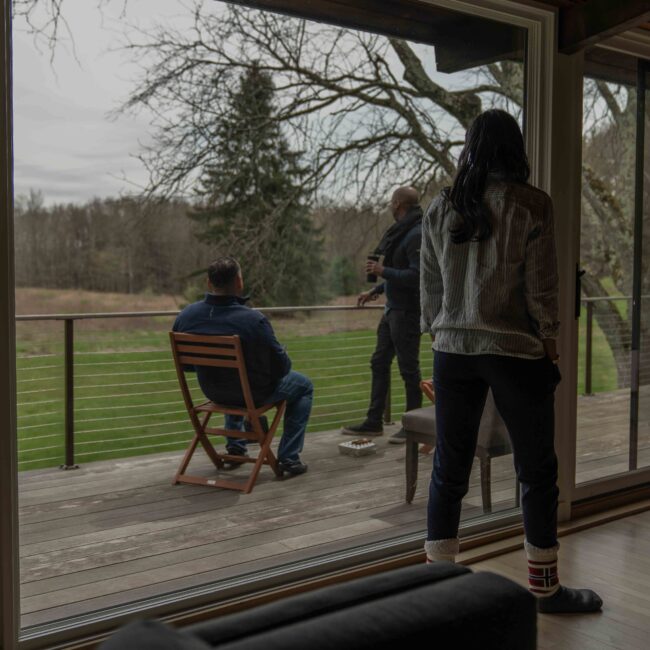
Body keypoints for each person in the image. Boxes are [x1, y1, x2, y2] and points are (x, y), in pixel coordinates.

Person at [420, 109, 602, 613]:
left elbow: (430, 285)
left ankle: (437, 590)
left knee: (448, 468)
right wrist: (551, 340)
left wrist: (435, 330)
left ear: (470, 147)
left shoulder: (441, 205)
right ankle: (544, 589)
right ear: (515, 147)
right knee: (537, 469)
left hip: (451, 350)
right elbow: (543, 287)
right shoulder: (532, 205)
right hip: (515, 351)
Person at [172, 256, 311, 476]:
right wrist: (282, 353)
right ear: (239, 282)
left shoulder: (186, 316)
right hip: (251, 395)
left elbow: (188, 366)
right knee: (304, 386)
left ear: (209, 282)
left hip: (213, 391)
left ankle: (236, 446)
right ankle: (289, 458)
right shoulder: (253, 321)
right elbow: (281, 369)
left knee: (234, 377)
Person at [342, 186, 423, 444]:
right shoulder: (400, 233)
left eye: (391, 202)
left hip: (407, 312)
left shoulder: (416, 234)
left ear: (398, 203)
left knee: (409, 371)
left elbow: (417, 276)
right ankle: (373, 422)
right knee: (379, 363)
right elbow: (397, 272)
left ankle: (413, 426)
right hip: (391, 311)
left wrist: (382, 270)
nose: (390, 206)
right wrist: (375, 290)